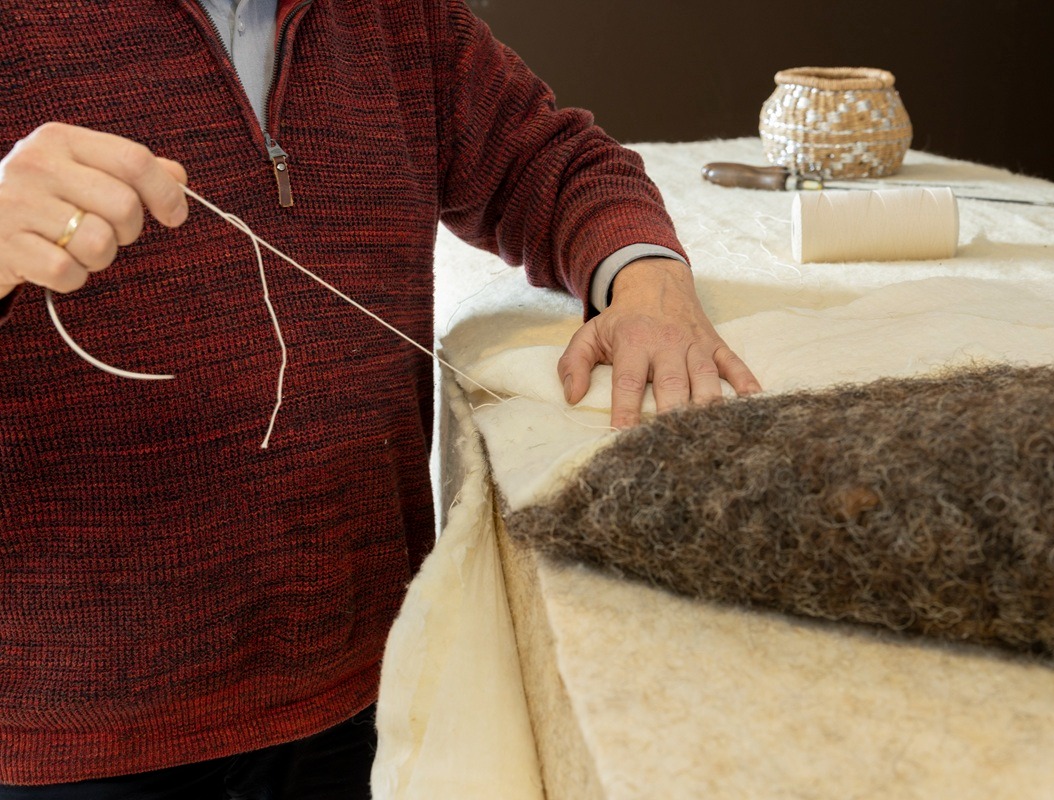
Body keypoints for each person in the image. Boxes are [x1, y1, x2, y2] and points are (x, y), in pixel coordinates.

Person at [0, 0, 760, 795]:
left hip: (365, 680)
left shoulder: (397, 17)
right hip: (72, 731)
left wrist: (648, 283)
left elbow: (553, 163)